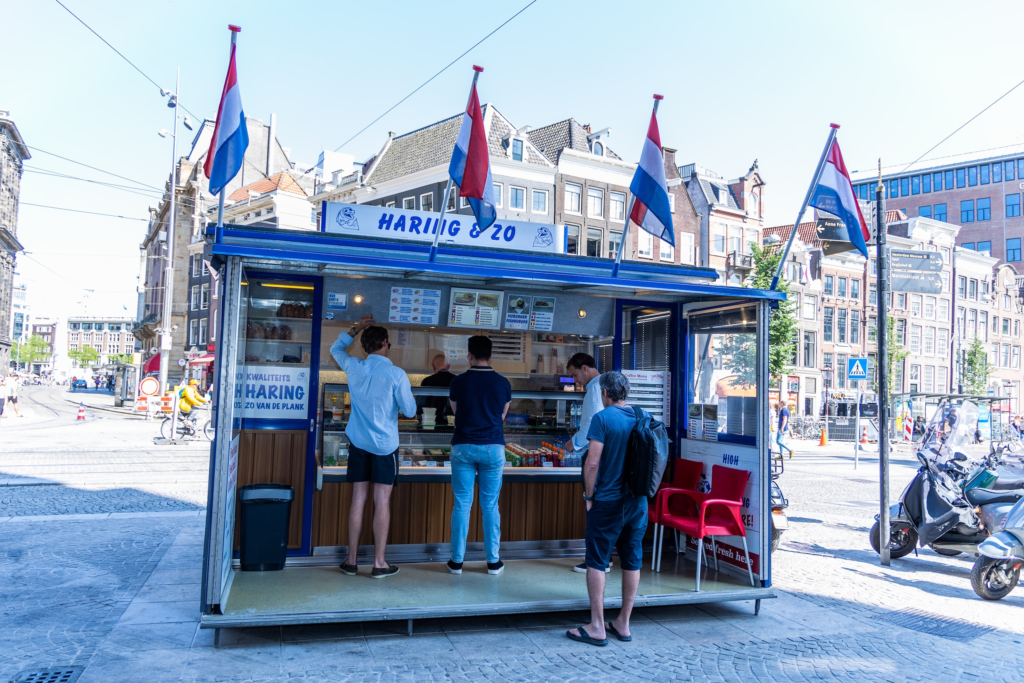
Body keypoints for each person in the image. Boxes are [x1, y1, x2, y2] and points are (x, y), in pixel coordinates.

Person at [331, 315, 416, 579]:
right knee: (382, 502)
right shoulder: (395, 374)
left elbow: (336, 349)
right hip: (384, 447)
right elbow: (411, 411)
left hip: (358, 443)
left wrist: (356, 328)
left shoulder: (354, 366)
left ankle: (351, 561)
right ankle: (379, 563)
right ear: (383, 343)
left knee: (359, 499)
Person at [566, 372, 645, 647]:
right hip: (638, 502)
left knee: (597, 560)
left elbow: (591, 463)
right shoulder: (641, 415)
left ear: (605, 394)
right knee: (632, 559)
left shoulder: (603, 418)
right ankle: (623, 623)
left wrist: (589, 496)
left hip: (608, 502)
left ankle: (598, 626)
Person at [446, 336, 512, 576]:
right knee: (490, 506)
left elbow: (456, 412)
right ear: (491, 355)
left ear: (469, 356)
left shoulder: (458, 382)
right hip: (493, 447)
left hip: (462, 445)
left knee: (462, 504)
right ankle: (493, 562)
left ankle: (456, 562)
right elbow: (502, 416)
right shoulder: (503, 382)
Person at [565, 352, 610, 574]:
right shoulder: (605, 384)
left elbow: (592, 422)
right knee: (601, 507)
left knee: (593, 506)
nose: (575, 381)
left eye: (574, 375)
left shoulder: (594, 388)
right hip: (605, 455)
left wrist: (573, 443)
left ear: (584, 368)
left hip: (595, 454)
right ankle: (604, 557)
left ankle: (596, 560)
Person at [419, 353, 454, 427]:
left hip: (430, 423)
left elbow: (420, 404)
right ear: (448, 366)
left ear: (433, 366)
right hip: (453, 424)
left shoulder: (427, 381)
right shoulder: (456, 380)